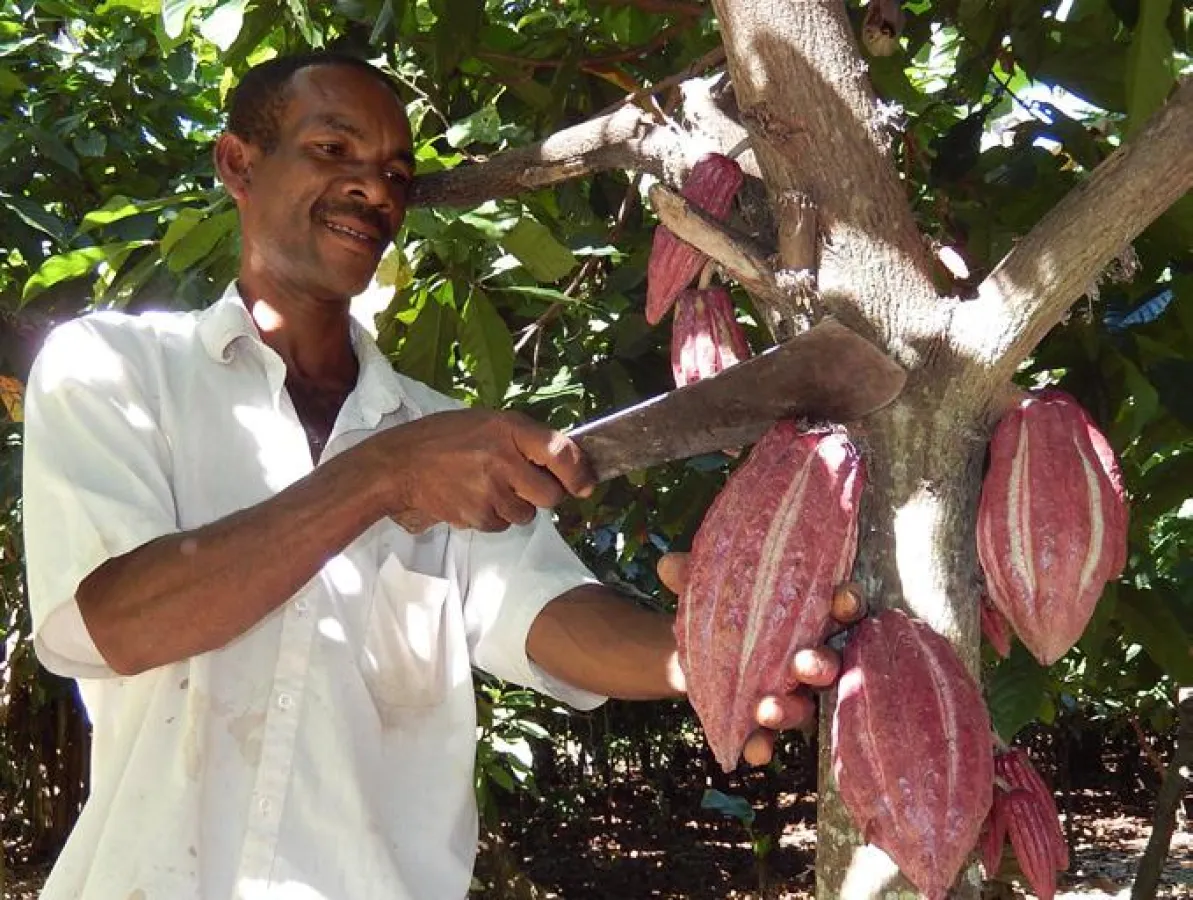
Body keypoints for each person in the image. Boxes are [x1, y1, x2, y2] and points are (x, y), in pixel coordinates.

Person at [22, 52, 858, 900]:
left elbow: (538, 612)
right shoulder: (114, 369)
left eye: (393, 171)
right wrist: (383, 477)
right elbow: (117, 624)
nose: (375, 190)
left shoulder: (441, 438)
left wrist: (712, 653)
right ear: (238, 163)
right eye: (333, 151)